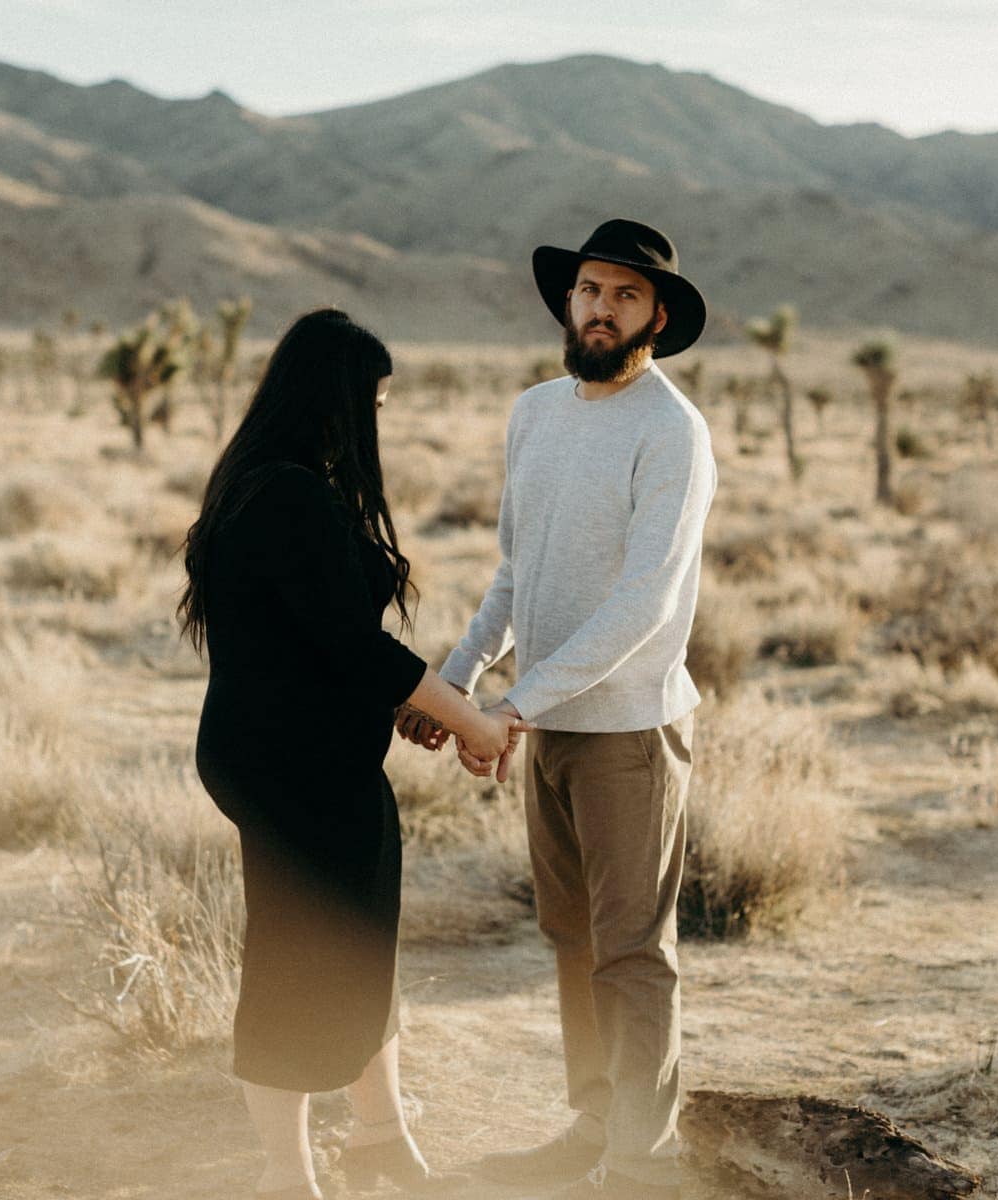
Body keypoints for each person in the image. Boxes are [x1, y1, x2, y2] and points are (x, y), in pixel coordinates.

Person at [396, 219, 716, 1200]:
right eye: (588, 290)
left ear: (657, 315)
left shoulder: (672, 431)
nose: (600, 309)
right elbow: (514, 574)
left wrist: (513, 705)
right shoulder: (534, 413)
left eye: (624, 295)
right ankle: (591, 1126)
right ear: (567, 302)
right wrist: (454, 686)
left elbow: (643, 602)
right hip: (543, 730)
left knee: (632, 951)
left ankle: (640, 1160)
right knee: (572, 938)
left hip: (629, 730)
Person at [181, 307, 528, 1200]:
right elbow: (355, 647)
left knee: (359, 941)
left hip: (300, 756)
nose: (378, 420)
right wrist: (472, 721)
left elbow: (334, 645)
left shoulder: (266, 479)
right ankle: (286, 1179)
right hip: (290, 766)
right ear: (332, 403)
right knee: (300, 956)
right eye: (372, 402)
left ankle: (382, 1138)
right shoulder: (288, 493)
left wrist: (433, 708)